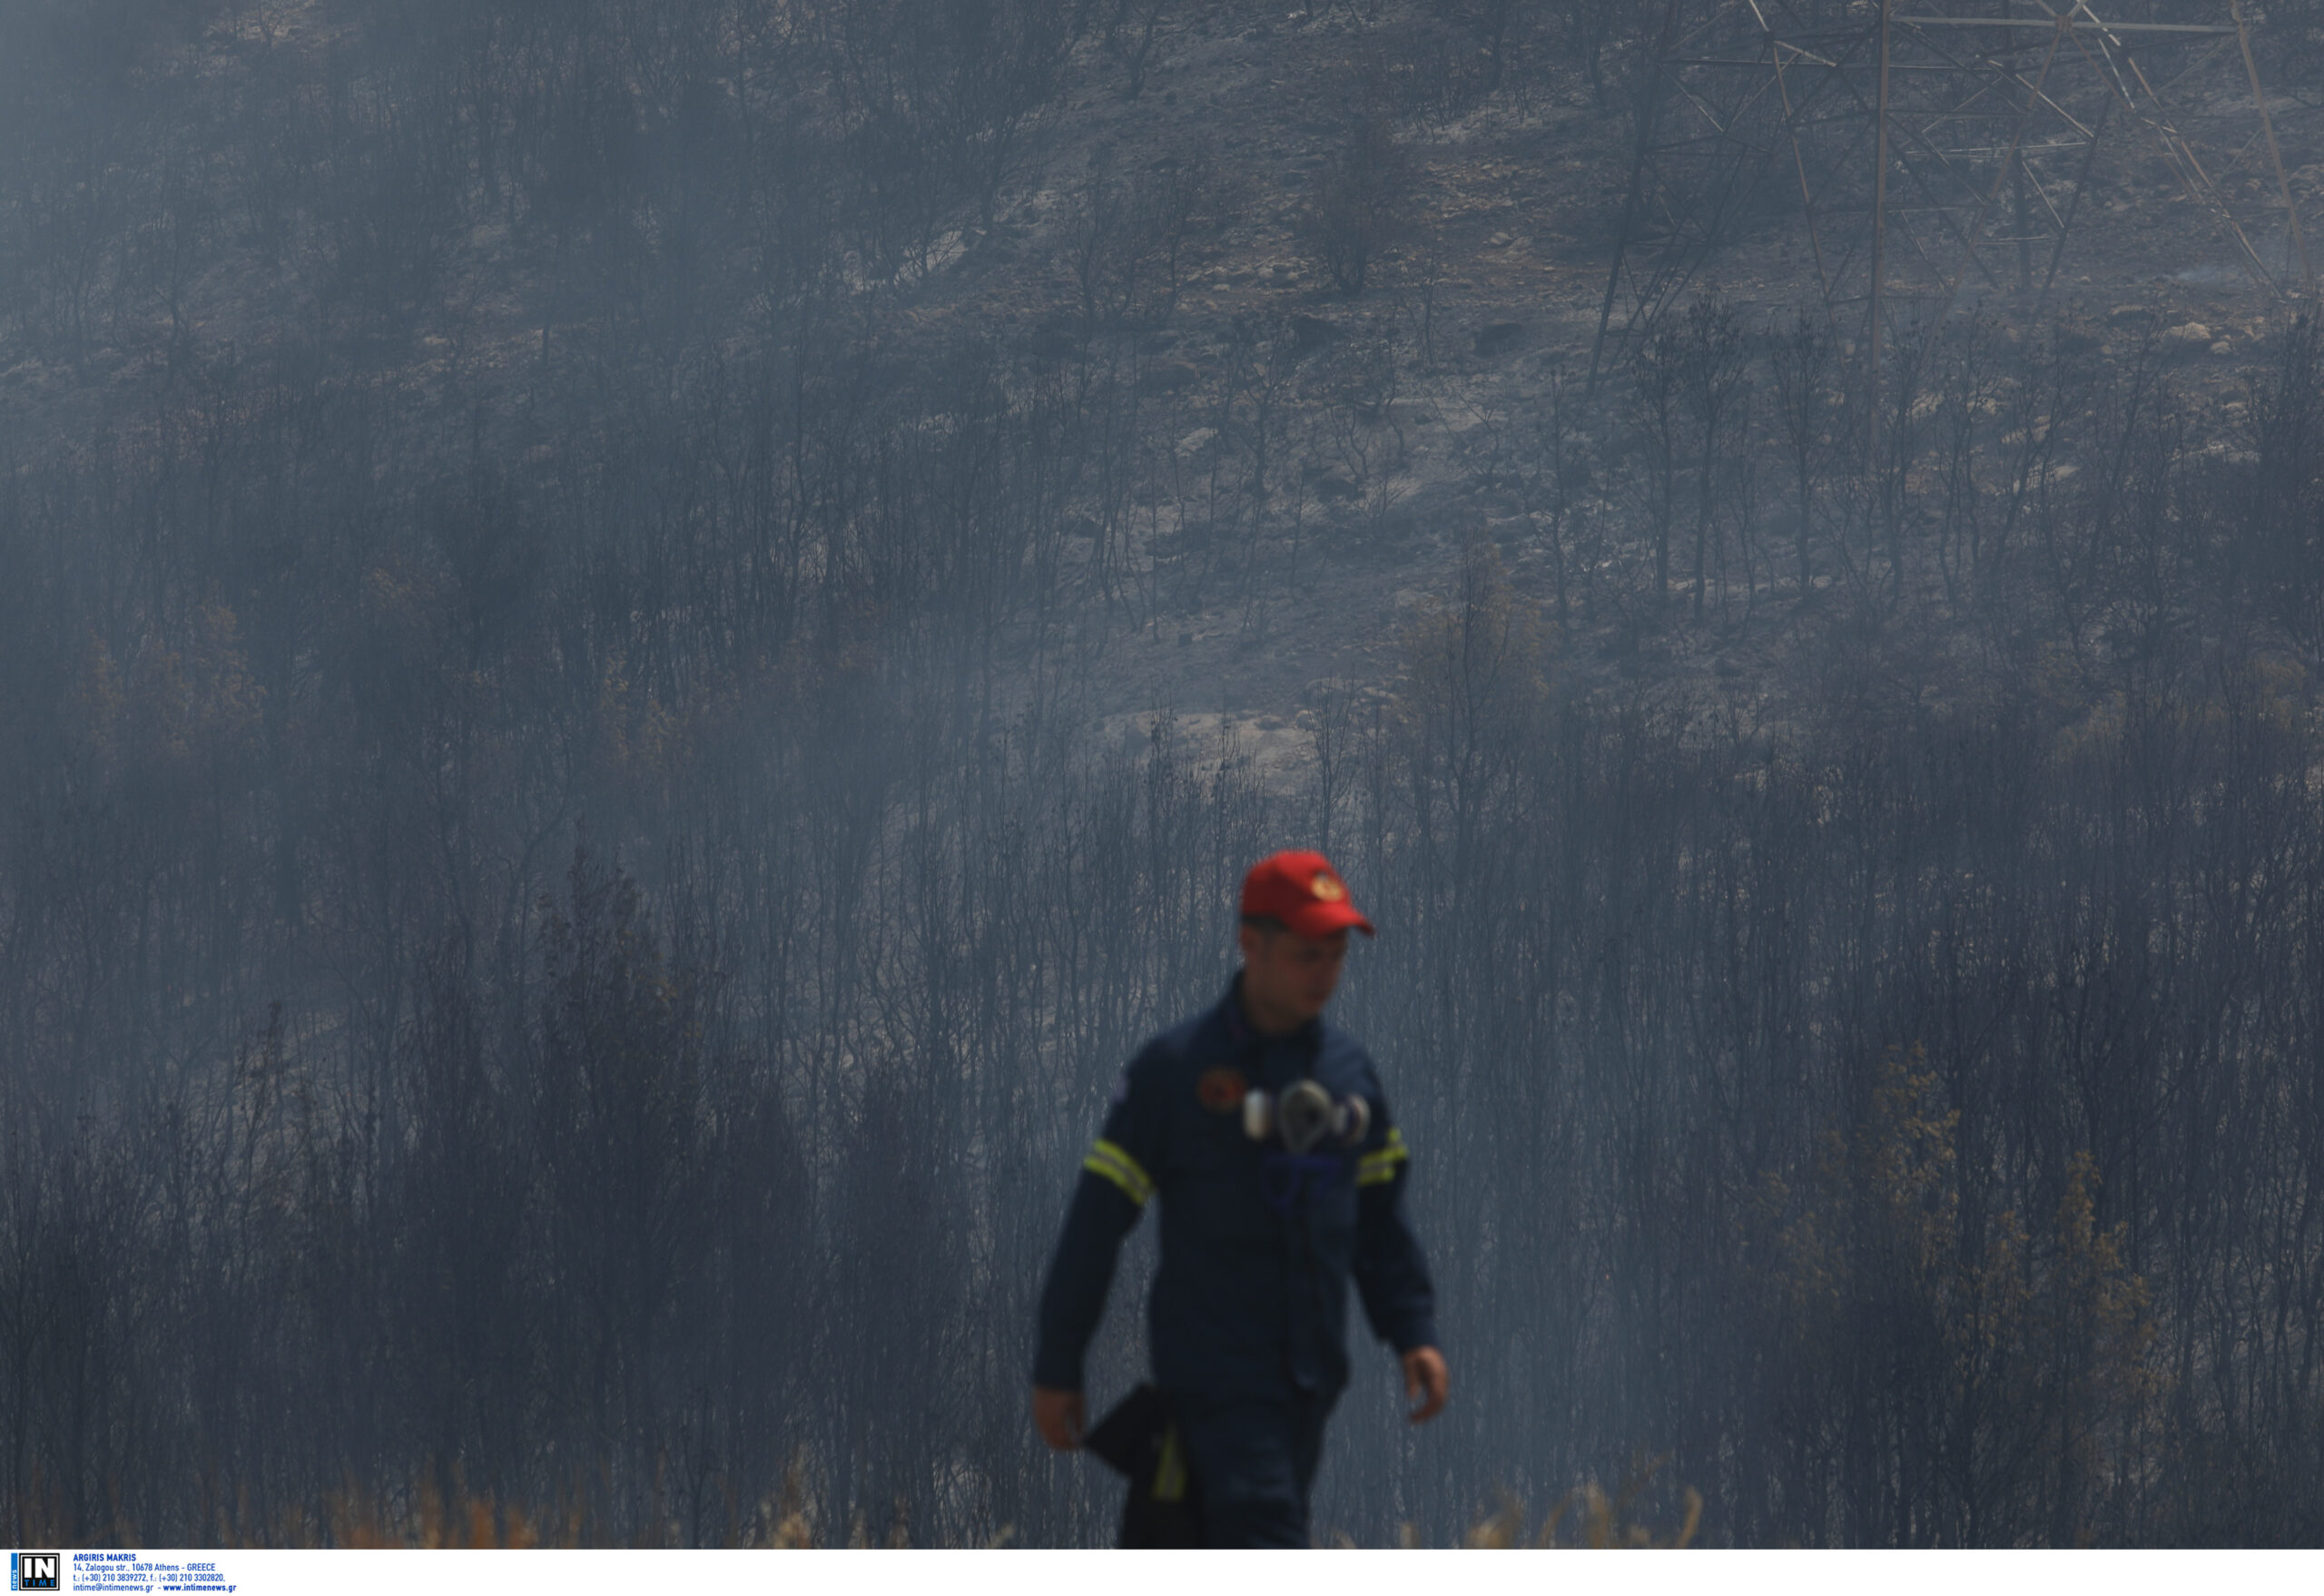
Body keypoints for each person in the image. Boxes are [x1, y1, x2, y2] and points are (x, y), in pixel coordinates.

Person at [1031, 849, 1448, 1548]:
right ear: (1249, 944)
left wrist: (1413, 1330)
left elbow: (1380, 1220)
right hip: (1216, 1381)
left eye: (1337, 955)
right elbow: (1095, 1226)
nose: (1326, 974)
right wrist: (1058, 1363)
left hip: (1311, 1384)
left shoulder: (1350, 1075)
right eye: (1306, 955)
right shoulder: (1174, 1072)